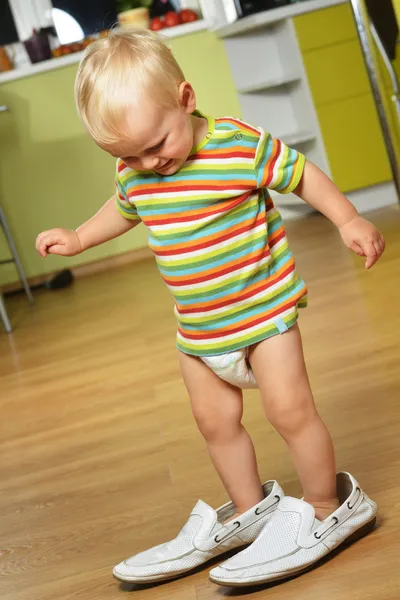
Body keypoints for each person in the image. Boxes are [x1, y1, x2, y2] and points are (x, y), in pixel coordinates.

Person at [36, 29, 384, 588]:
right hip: (199, 330)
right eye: (130, 156)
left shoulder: (237, 147)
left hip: (264, 314)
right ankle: (253, 513)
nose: (150, 163)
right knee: (214, 423)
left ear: (186, 99)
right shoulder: (136, 170)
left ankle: (326, 509)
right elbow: (122, 209)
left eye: (157, 145)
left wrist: (348, 219)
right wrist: (79, 238)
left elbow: (302, 174)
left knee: (290, 413)